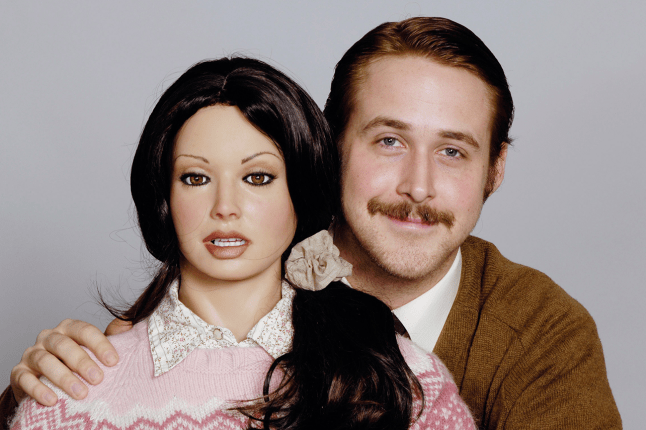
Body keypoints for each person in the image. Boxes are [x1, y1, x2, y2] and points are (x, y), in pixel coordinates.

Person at [3, 17, 622, 429]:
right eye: (388, 141)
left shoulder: (540, 332)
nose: (419, 185)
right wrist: (36, 384)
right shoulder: (247, 253)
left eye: (454, 151)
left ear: (496, 168)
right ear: (329, 145)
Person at [5, 57, 474, 430]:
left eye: (257, 177)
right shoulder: (69, 396)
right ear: (164, 197)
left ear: (301, 194)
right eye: (196, 177)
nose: (225, 206)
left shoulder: (402, 377)